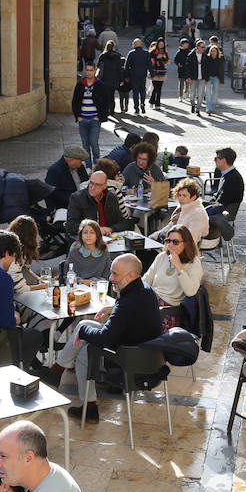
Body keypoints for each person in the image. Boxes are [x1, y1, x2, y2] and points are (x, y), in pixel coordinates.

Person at [54, 253, 162, 423]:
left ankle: (59, 372)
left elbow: (105, 339)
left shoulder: (127, 303)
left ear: (132, 275)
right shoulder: (146, 291)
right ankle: (61, 370)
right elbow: (129, 314)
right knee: (84, 330)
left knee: (84, 348)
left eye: (115, 274)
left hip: (130, 362)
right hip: (149, 357)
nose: (111, 278)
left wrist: (84, 334)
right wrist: (113, 307)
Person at [144, 225, 204, 318]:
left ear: (186, 243)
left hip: (169, 310)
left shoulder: (194, 263)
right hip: (152, 301)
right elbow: (146, 279)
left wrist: (179, 267)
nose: (171, 245)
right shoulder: (162, 257)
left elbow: (191, 291)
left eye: (175, 242)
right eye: (168, 241)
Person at [67, 170, 131, 235]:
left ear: (105, 186)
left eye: (97, 185)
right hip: (86, 238)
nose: (92, 187)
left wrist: (111, 229)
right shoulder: (77, 198)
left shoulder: (111, 198)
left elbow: (123, 223)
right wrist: (95, 229)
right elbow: (71, 225)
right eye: (91, 183)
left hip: (108, 237)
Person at [72, 62, 111, 166]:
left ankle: (97, 163)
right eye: (87, 70)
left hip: (95, 119)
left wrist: (100, 117)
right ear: (85, 71)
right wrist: (78, 116)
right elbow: (75, 102)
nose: (89, 73)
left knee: (94, 143)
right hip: (83, 119)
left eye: (91, 70)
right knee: (85, 145)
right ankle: (88, 166)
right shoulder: (80, 85)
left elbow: (106, 102)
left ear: (95, 71)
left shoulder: (100, 85)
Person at [154, 177, 209, 243]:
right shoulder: (183, 206)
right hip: (171, 239)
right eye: (179, 195)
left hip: (181, 246)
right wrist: (154, 236)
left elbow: (192, 240)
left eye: (184, 196)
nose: (181, 198)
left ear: (193, 197)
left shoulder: (198, 213)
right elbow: (169, 227)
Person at [44, 146, 91, 215]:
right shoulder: (55, 171)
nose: (81, 164)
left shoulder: (80, 167)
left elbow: (86, 183)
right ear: (71, 159)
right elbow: (51, 193)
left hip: (82, 204)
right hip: (66, 208)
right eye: (80, 161)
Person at [210, 147, 245, 217]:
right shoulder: (225, 173)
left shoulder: (233, 178)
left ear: (223, 160)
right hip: (219, 207)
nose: (215, 161)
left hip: (224, 212)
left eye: (216, 159)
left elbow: (222, 201)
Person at [96, 39, 125, 112]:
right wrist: (121, 79)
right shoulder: (118, 56)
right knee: (112, 95)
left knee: (105, 95)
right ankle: (112, 110)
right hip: (114, 79)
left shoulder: (102, 56)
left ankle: (106, 110)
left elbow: (98, 66)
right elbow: (119, 69)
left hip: (104, 78)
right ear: (113, 47)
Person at [124, 39, 151, 113]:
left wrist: (126, 76)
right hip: (143, 74)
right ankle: (142, 103)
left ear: (134, 45)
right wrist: (152, 73)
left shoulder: (131, 53)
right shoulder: (146, 53)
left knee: (135, 91)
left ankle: (136, 107)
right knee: (142, 89)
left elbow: (126, 66)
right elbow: (150, 64)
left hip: (134, 75)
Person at [200, 44, 224, 114]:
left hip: (216, 77)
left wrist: (222, 81)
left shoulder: (220, 59)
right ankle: (208, 108)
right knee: (208, 93)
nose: (213, 52)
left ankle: (213, 108)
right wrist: (205, 78)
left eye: (215, 51)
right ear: (210, 52)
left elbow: (221, 70)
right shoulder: (207, 58)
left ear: (217, 52)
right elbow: (204, 69)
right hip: (208, 77)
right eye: (212, 51)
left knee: (215, 93)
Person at [148, 38, 169, 108]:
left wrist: (164, 58)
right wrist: (157, 57)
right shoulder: (153, 51)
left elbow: (167, 61)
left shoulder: (165, 52)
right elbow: (150, 61)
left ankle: (155, 102)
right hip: (154, 71)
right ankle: (155, 102)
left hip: (162, 71)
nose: (161, 46)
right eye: (160, 44)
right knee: (156, 87)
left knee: (159, 88)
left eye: (162, 44)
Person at [174, 38, 196, 104]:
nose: (186, 45)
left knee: (187, 83)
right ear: (182, 44)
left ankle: (186, 93)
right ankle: (180, 96)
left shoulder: (189, 52)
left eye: (187, 44)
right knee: (181, 83)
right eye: (185, 44)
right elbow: (175, 60)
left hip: (188, 70)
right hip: (181, 69)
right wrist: (178, 64)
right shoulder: (179, 52)